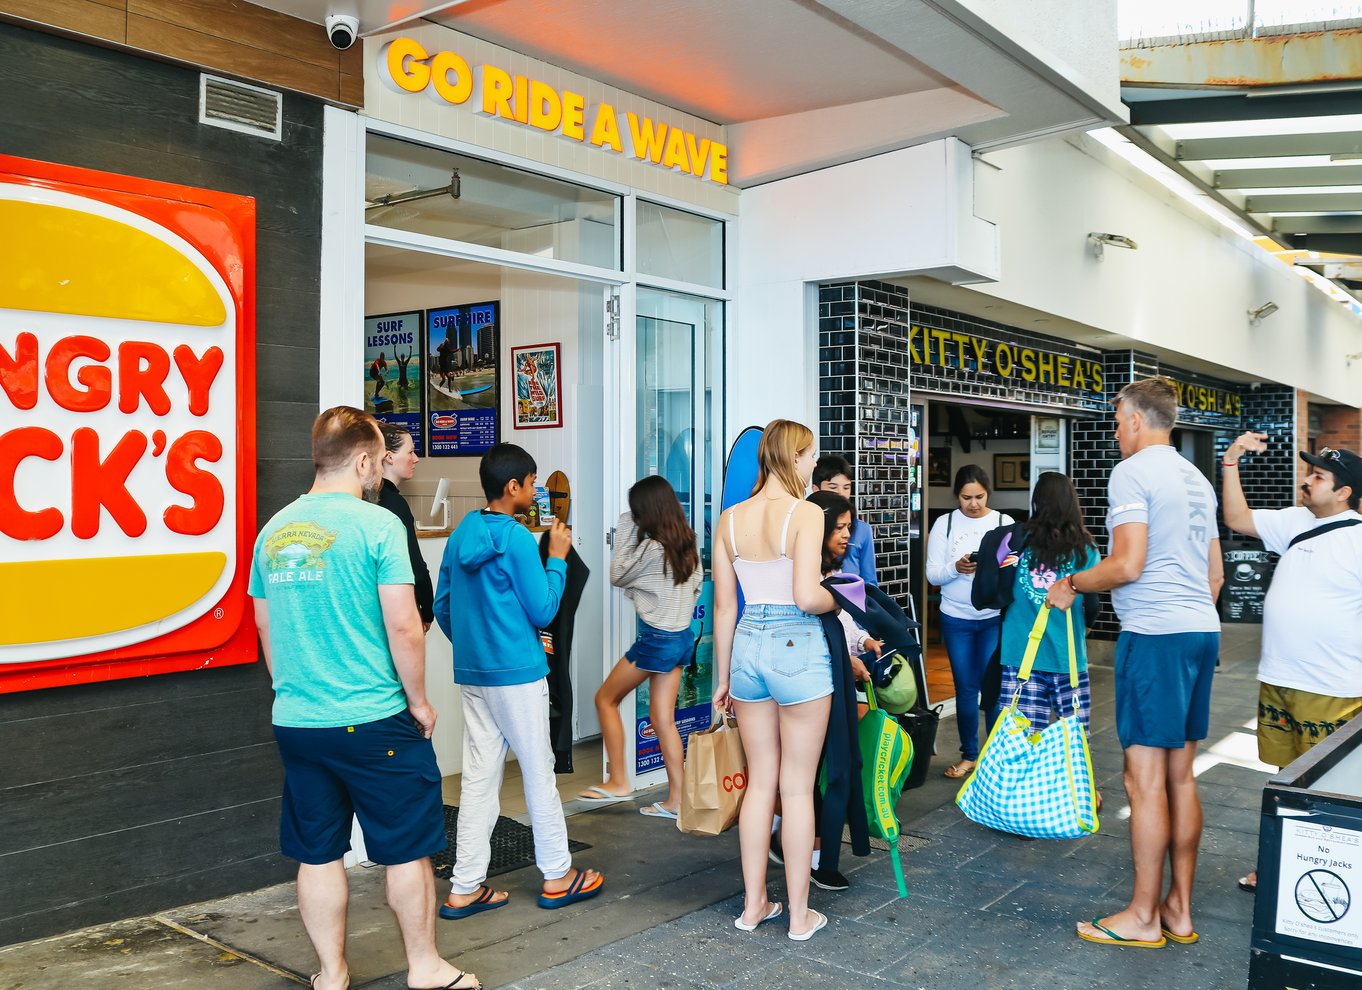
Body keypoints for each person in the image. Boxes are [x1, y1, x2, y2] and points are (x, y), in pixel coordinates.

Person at [248, 406, 479, 990]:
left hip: (299, 721)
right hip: (375, 718)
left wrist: (293, 692)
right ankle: (425, 968)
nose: (380, 470)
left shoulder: (272, 532)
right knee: (406, 851)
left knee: (317, 852)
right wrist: (420, 702)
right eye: (378, 460)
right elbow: (404, 627)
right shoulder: (378, 527)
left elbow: (267, 628)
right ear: (360, 460)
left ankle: (331, 973)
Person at [1046, 377, 1224, 950]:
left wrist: (1071, 582)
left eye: (1121, 420)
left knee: (1141, 779)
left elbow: (1126, 564)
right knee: (1179, 775)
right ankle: (1178, 908)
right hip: (1200, 631)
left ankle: (1144, 916)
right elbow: (1215, 576)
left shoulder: (1134, 471)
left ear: (1140, 420)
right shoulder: (1196, 477)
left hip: (1156, 638)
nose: (1118, 430)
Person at [434, 443, 604, 920]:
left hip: (474, 675)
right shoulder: (516, 540)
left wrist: (475, 645)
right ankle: (557, 875)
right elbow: (546, 609)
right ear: (513, 487)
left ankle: (465, 886)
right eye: (532, 484)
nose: (536, 491)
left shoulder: (462, 532)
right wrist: (557, 558)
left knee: (479, 780)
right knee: (538, 773)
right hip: (519, 674)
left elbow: (444, 606)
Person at [1219, 436, 1362, 894]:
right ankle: (1280, 865)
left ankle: (1332, 874)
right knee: (1284, 780)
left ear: (1344, 492)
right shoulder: (1296, 521)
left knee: (1330, 787)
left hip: (1334, 686)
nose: (1307, 481)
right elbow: (1237, 518)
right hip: (1280, 679)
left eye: (1318, 477)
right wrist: (1230, 461)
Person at [714, 420, 836, 941]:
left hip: (746, 647)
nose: (815, 466)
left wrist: (722, 678)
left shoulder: (729, 518)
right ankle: (800, 916)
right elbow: (808, 597)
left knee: (760, 782)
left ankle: (752, 905)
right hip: (797, 643)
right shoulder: (806, 513)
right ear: (795, 457)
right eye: (811, 457)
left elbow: (724, 606)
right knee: (797, 785)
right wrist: (843, 597)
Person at [578, 476, 703, 818]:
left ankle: (619, 780)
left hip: (657, 640)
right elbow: (694, 591)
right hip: (680, 638)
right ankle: (677, 800)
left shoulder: (652, 549)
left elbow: (617, 575)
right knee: (663, 719)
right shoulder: (688, 546)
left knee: (605, 698)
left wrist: (625, 524)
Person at [992, 473, 1102, 807]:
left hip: (1019, 653)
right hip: (1067, 656)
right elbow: (1094, 604)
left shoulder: (1015, 542)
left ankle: (1019, 802)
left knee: (1022, 733)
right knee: (1074, 735)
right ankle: (1079, 796)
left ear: (1036, 501)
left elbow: (999, 586)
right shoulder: (1085, 549)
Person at [926, 465, 1015, 778]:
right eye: (966, 497)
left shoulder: (1005, 523)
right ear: (957, 495)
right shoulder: (944, 523)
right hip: (956, 617)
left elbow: (1016, 569)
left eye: (979, 496)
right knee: (965, 689)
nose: (973, 503)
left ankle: (993, 756)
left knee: (993, 690)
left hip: (993, 618)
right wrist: (956, 566)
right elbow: (932, 573)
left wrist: (992, 569)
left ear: (988, 492)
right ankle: (969, 756)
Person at [376, 423, 435, 631]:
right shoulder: (393, 503)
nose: (416, 458)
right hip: (395, 611)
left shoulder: (366, 498)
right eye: (410, 452)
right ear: (389, 457)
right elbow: (414, 566)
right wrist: (427, 610)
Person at [813, 455, 878, 584]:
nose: (841, 494)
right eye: (833, 487)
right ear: (816, 489)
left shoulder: (862, 530)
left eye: (846, 487)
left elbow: (870, 583)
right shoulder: (807, 525)